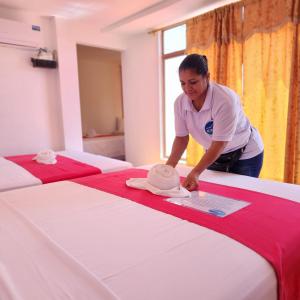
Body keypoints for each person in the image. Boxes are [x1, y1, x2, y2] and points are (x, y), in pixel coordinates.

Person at [166, 54, 264, 191]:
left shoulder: (224, 100)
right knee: (214, 199)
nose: (187, 88)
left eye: (193, 82)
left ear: (207, 77)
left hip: (245, 153)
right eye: (183, 83)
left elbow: (220, 143)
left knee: (239, 199)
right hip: (215, 154)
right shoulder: (180, 103)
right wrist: (168, 168)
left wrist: (195, 172)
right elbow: (181, 138)